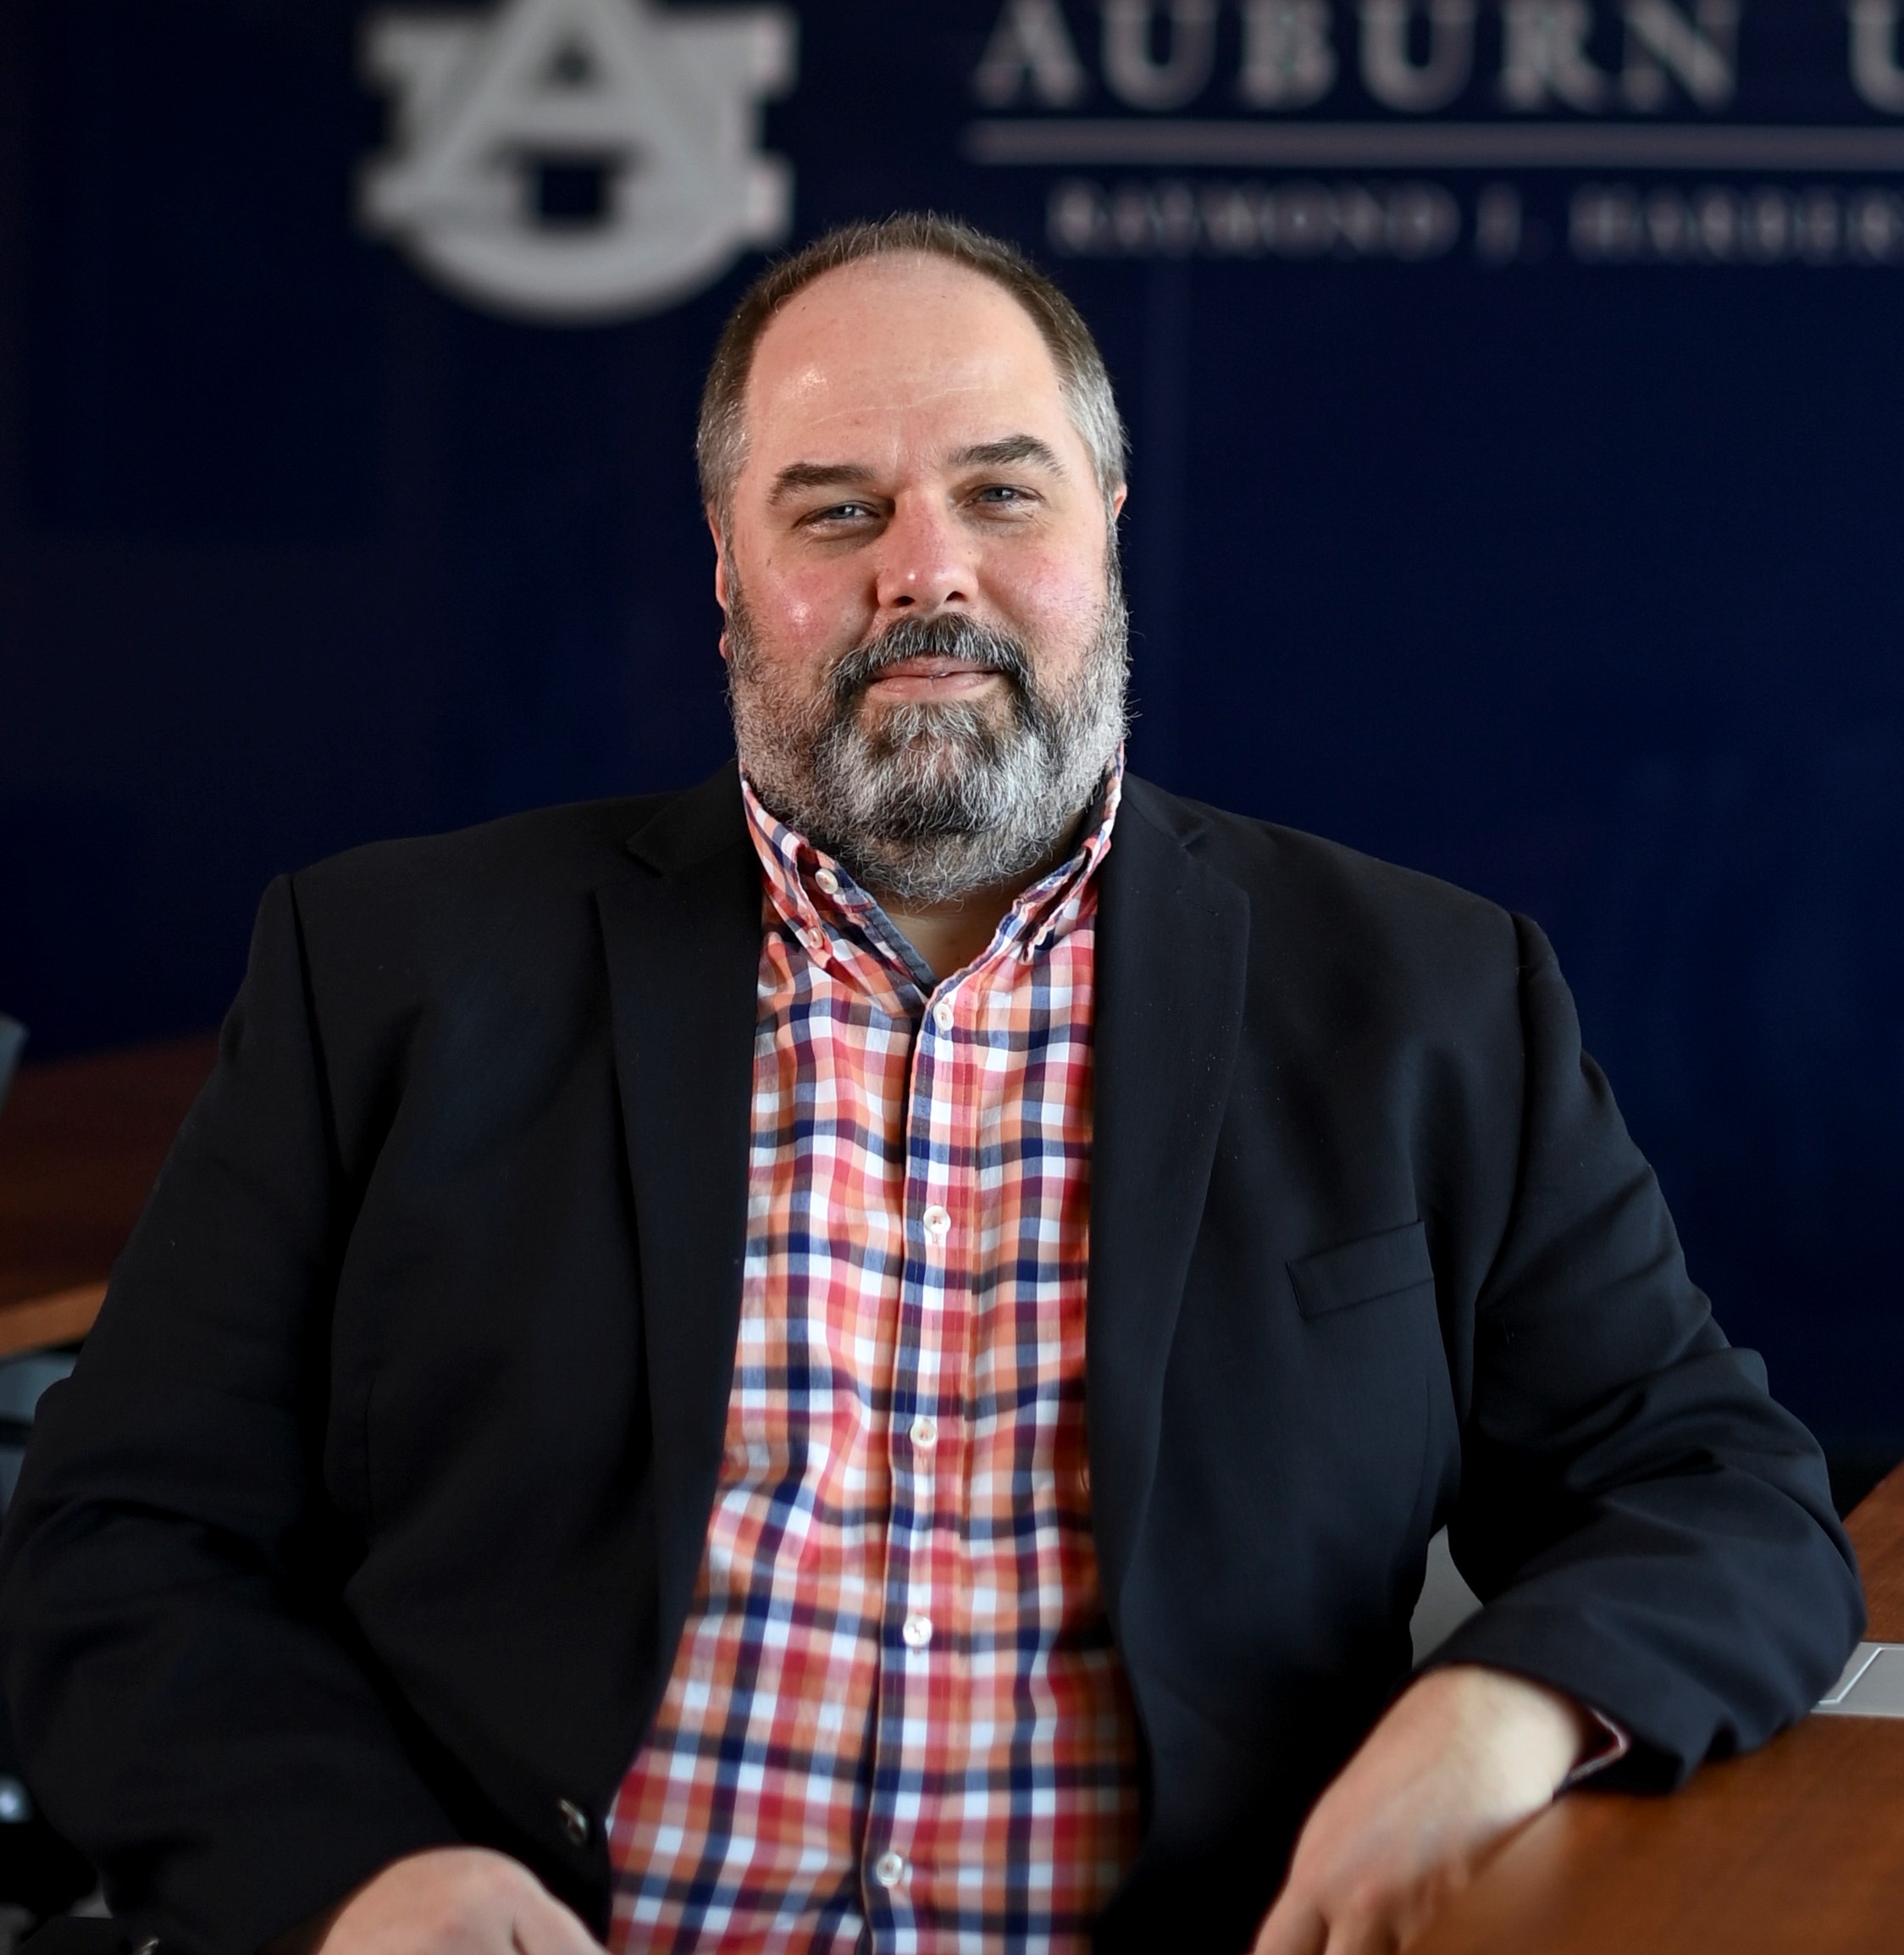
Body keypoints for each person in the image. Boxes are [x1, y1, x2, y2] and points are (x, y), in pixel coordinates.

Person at [0, 214, 1862, 1955]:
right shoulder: (390, 970)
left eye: (999, 490)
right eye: (834, 511)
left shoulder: (1429, 998)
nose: (927, 569)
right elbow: (119, 1542)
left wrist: (1498, 1708)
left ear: (1104, 527)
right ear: (726, 570)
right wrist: (364, 1880)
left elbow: (1718, 1492)